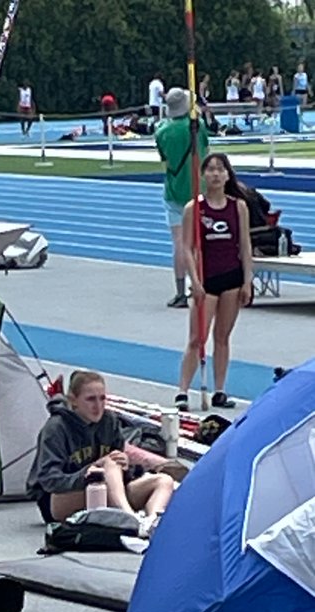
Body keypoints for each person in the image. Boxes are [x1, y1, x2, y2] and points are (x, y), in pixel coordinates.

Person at [26, 370, 175, 532]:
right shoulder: (56, 428)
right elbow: (48, 480)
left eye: (102, 398)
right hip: (59, 499)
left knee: (163, 481)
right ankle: (130, 518)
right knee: (109, 463)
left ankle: (152, 522)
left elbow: (118, 475)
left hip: (105, 491)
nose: (98, 406)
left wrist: (126, 467)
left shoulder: (109, 421)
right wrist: (87, 474)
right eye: (90, 399)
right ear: (73, 401)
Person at [175, 151, 252, 412]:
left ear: (228, 175)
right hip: (205, 280)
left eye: (220, 169)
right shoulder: (194, 209)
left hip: (232, 277)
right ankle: (183, 391)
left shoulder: (238, 207)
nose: (216, 174)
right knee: (197, 337)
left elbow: (245, 244)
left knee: (222, 337)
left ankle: (219, 390)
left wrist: (247, 280)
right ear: (203, 175)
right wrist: (194, 281)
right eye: (211, 169)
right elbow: (186, 248)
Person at [155, 86, 209, 309]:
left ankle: (180, 292)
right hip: (197, 189)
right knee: (198, 243)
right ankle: (199, 284)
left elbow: (164, 158)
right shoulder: (197, 127)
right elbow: (205, 147)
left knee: (179, 243)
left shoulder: (161, 131)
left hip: (174, 190)